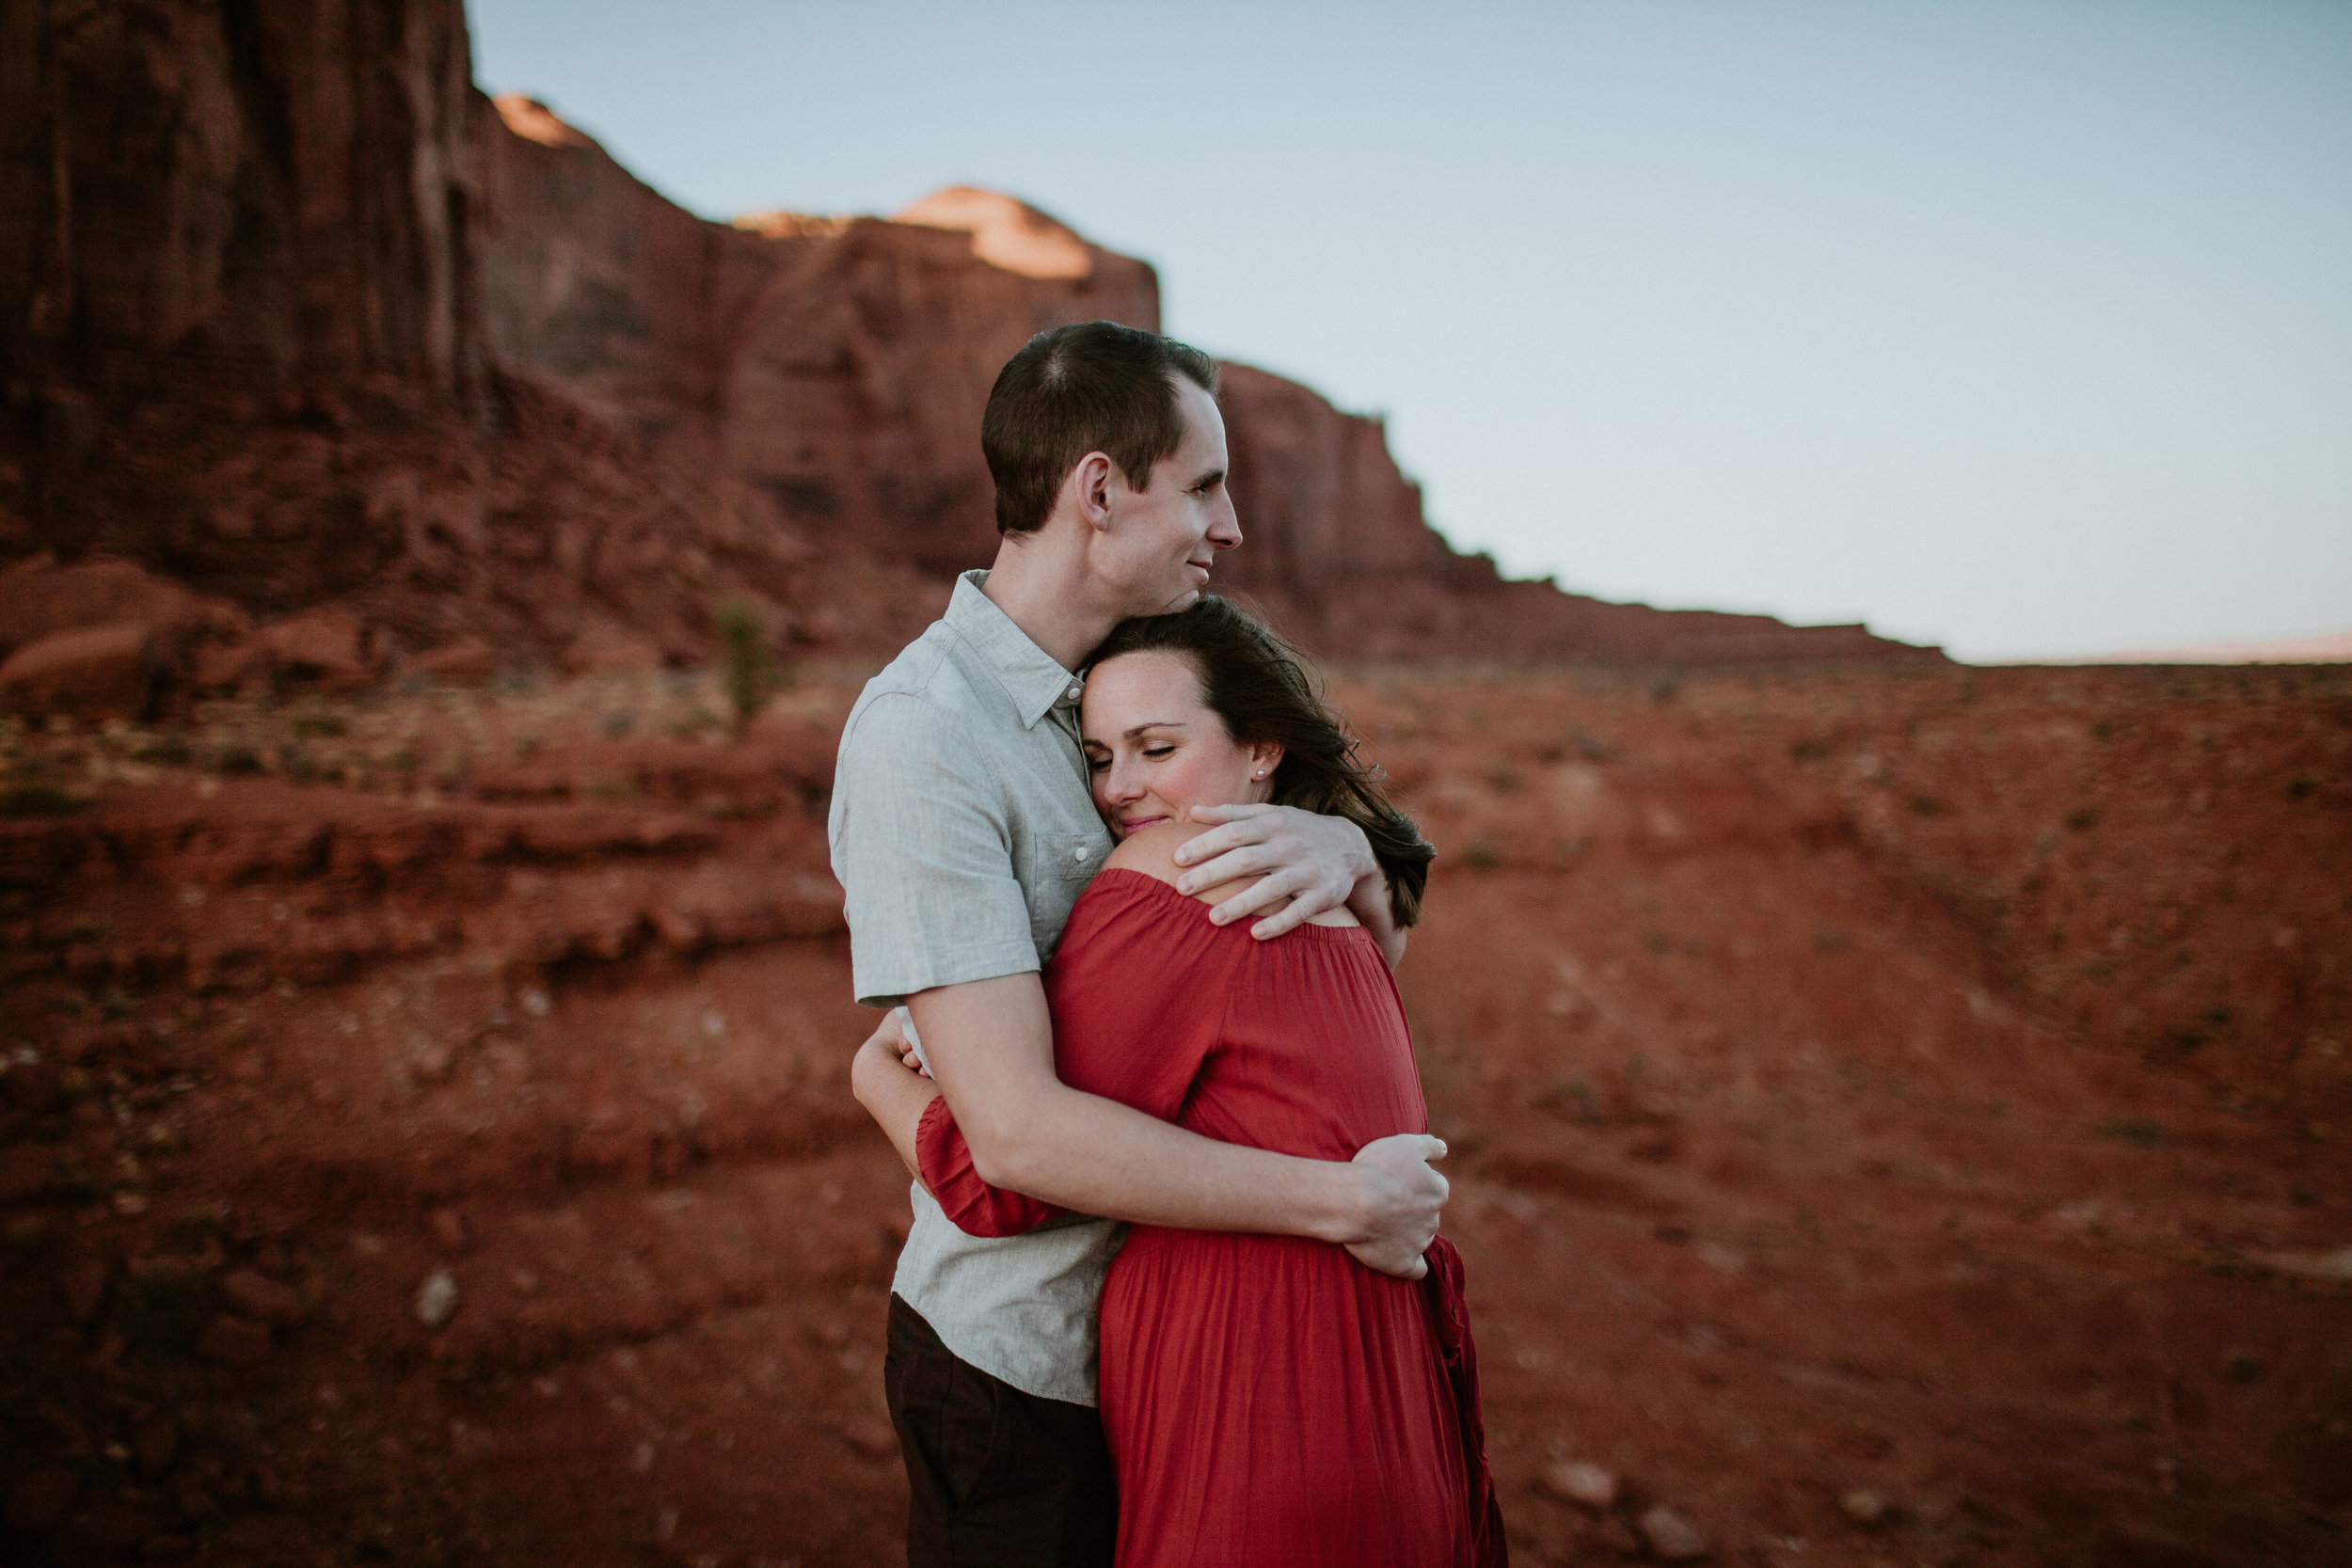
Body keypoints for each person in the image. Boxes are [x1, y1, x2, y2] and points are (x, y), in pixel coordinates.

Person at [828, 321, 1452, 1566]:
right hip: (1025, 1372)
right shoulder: (926, 735)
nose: (1231, 528)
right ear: (1101, 490)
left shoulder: (1133, 687)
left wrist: (1346, 851)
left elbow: (1305, 947)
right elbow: (1013, 1136)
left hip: (1186, 1351)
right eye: (1205, 486)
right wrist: (1345, 1202)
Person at [857, 595, 1506, 1567]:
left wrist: (871, 1072)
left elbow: (1004, 1172)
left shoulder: (1173, 869)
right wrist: (1358, 856)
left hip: (1258, 1395)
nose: (1120, 787)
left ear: (1262, 747)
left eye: (1156, 748)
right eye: (1100, 754)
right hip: (1380, 1391)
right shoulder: (1319, 882)